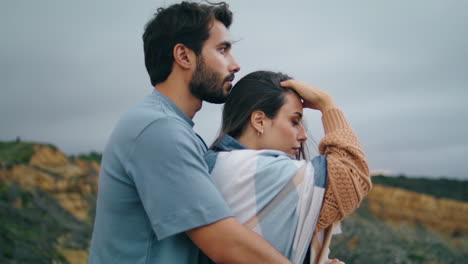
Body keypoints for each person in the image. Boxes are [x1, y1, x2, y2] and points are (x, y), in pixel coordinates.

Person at [88, 2, 294, 264]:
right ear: (184, 56)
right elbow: (224, 242)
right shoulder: (158, 129)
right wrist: (327, 106)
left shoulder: (172, 127)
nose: (235, 65)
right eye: (222, 50)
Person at [204, 71, 372, 264]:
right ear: (259, 121)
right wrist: (327, 105)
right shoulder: (251, 169)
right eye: (294, 121)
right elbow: (352, 174)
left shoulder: (215, 162)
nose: (303, 135)